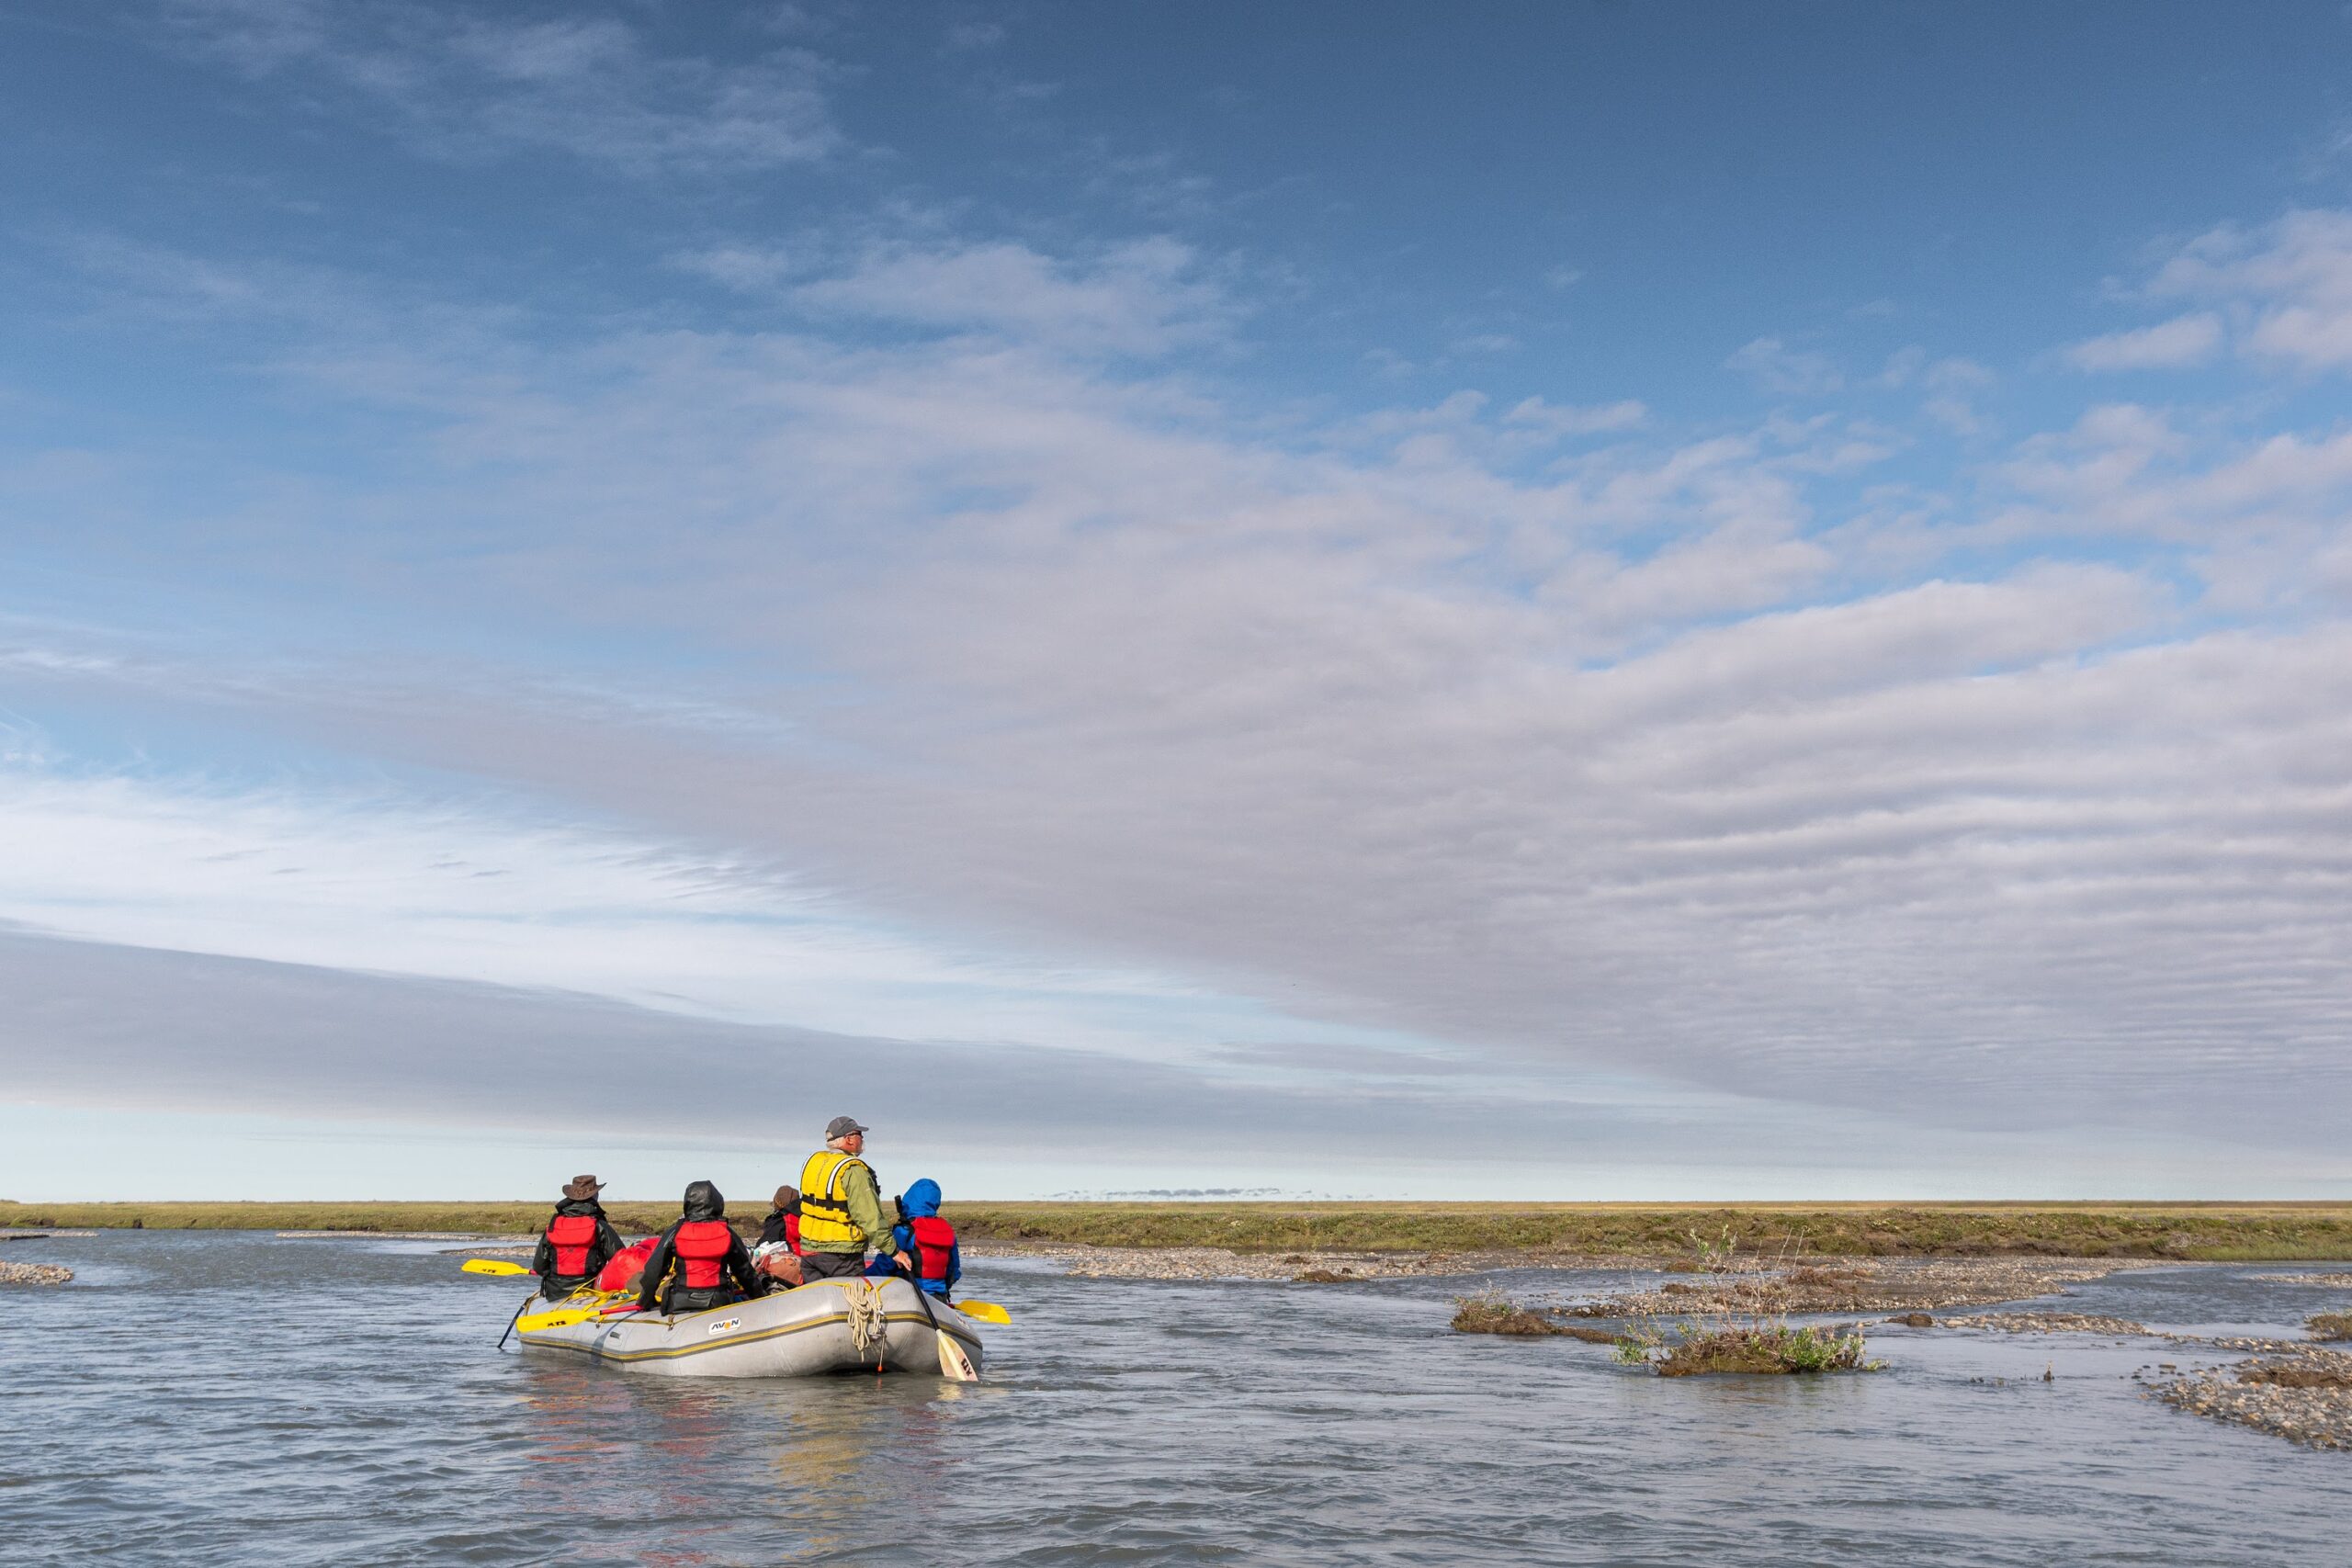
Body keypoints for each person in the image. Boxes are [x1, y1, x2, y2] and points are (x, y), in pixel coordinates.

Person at [797, 1117, 912, 1281]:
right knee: (851, 1303)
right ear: (848, 1139)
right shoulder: (853, 1170)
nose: (862, 1138)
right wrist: (894, 1252)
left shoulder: (812, 1163)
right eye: (859, 1134)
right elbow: (869, 1218)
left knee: (819, 1304)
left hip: (809, 1252)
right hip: (842, 1257)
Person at [635, 1179, 762, 1316]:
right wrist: (760, 1297)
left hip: (680, 1302)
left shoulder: (675, 1233)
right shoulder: (727, 1233)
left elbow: (653, 1272)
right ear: (718, 1203)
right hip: (719, 1302)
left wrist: (645, 1301)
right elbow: (745, 1272)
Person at [531, 1175, 628, 1301]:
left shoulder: (553, 1225)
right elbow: (620, 1261)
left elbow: (539, 1267)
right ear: (594, 1196)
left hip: (555, 1293)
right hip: (590, 1292)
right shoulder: (599, 1225)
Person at [865, 1178, 961, 1299]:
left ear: (909, 1198)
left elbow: (885, 1265)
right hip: (939, 1298)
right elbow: (954, 1272)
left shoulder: (904, 1231)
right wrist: (941, 1289)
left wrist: (864, 1276)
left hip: (909, 1296)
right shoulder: (948, 1232)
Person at [752, 1184, 804, 1289]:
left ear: (777, 1203)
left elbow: (761, 1248)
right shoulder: (808, 1216)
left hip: (787, 1271)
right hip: (806, 1267)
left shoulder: (779, 1221)